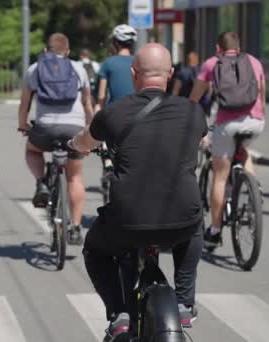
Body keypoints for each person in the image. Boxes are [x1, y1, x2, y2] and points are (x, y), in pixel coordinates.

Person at [71, 43, 206, 341]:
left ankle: (118, 314)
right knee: (196, 227)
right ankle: (184, 302)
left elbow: (85, 142)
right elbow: (198, 138)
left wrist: (75, 145)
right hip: (181, 220)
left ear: (134, 75)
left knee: (96, 250)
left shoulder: (113, 113)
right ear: (170, 74)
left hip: (127, 222)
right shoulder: (194, 112)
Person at [189, 32, 266, 248]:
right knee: (243, 149)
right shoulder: (254, 61)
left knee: (220, 177)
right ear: (239, 47)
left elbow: (194, 98)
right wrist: (259, 116)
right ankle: (253, 188)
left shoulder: (212, 63)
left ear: (218, 47)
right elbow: (262, 93)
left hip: (227, 124)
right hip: (255, 122)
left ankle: (214, 231)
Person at [18, 33, 94, 244]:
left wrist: (23, 125)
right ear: (68, 52)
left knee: (32, 149)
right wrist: (89, 128)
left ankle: (42, 183)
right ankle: (76, 228)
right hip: (74, 129)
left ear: (46, 51)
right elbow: (87, 103)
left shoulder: (34, 69)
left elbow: (24, 104)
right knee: (75, 177)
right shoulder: (78, 68)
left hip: (46, 127)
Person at [97, 24, 137, 111]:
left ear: (116, 43)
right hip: (136, 111)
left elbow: (101, 95)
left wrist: (98, 108)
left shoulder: (108, 63)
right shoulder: (139, 62)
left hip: (115, 112)